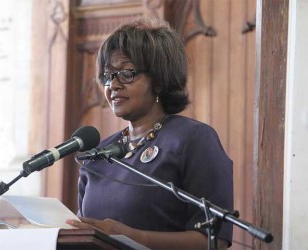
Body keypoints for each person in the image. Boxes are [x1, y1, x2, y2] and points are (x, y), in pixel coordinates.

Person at [66, 17, 233, 249]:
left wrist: (133, 237)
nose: (112, 85)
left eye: (126, 73)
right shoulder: (98, 155)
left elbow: (214, 241)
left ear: (159, 80)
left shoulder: (192, 139)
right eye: (107, 76)